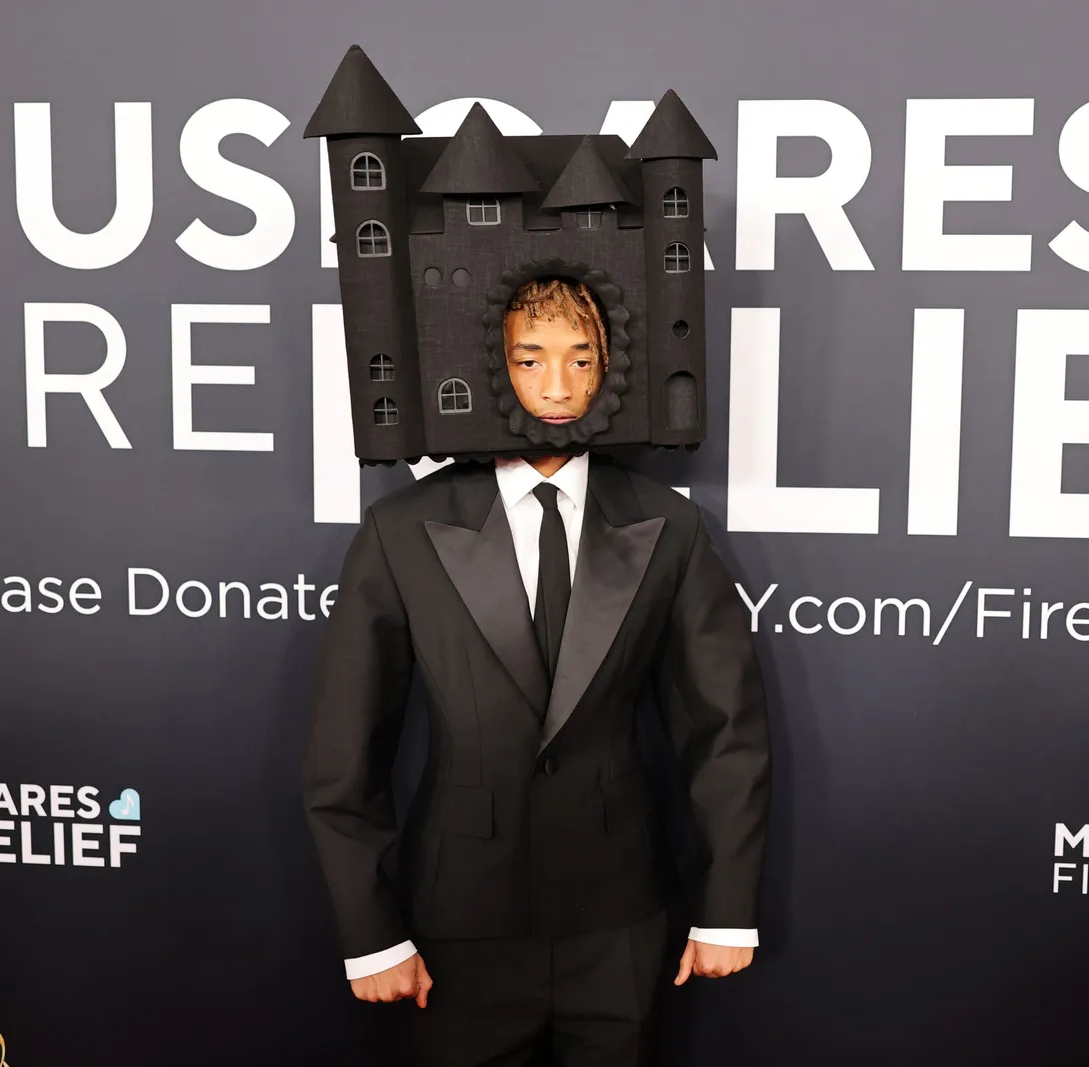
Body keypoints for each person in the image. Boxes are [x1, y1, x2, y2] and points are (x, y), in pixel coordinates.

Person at [304, 277, 772, 1067]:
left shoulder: (673, 528)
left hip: (622, 923)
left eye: (581, 359)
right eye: (530, 359)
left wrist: (726, 909)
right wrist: (371, 933)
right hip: (458, 926)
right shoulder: (402, 530)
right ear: (491, 364)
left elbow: (725, 729)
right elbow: (346, 752)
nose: (558, 387)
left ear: (612, 370)